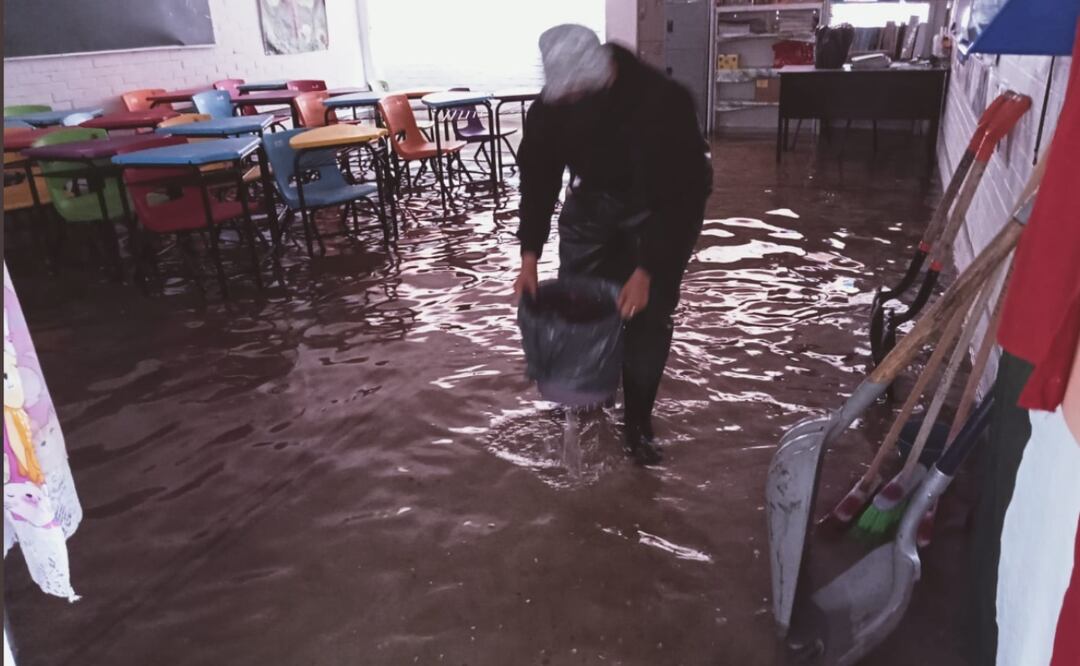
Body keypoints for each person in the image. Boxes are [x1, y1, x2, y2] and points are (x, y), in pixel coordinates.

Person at [514, 24, 712, 465]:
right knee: (580, 304)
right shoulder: (550, 110)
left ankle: (638, 425)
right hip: (594, 202)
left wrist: (646, 272)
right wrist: (529, 256)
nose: (563, 103)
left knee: (647, 316)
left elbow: (682, 198)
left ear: (600, 79)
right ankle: (587, 394)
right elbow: (539, 180)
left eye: (572, 97)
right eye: (557, 97)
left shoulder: (662, 102)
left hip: (661, 203)